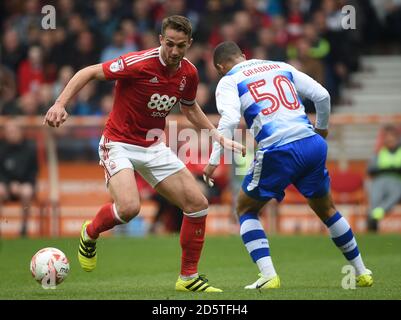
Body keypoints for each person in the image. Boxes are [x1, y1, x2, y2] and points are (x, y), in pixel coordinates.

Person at [44, 16, 245, 293]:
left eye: (181, 46)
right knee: (129, 208)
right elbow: (88, 72)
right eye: (170, 44)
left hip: (153, 146)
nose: (175, 51)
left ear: (190, 44)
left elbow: (189, 107)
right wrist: (59, 104)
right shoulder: (138, 63)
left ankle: (188, 278)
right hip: (118, 143)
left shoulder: (189, 73)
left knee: (198, 203)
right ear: (161, 39)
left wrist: (216, 133)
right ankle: (90, 233)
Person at [203, 41, 373, 289]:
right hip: (311, 143)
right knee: (326, 209)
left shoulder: (229, 80)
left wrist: (213, 161)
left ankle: (269, 275)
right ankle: (361, 271)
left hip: (278, 149)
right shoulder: (280, 66)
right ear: (243, 54)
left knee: (245, 209)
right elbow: (322, 95)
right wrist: (322, 128)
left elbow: (228, 119)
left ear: (219, 66)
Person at [0, 119, 38, 237]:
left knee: (27, 191)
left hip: (24, 184)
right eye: (8, 131)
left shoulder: (30, 148)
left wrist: (21, 184)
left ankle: (24, 228)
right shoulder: (1, 148)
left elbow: (33, 171)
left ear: (20, 132)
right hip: (6, 186)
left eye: (14, 131)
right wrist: (9, 183)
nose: (11, 134)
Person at [367, 125, 401, 232]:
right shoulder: (379, 152)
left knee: (395, 194)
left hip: (397, 180)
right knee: (374, 196)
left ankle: (377, 213)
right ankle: (373, 223)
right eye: (387, 137)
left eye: (392, 137)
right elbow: (371, 170)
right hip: (380, 180)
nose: (389, 139)